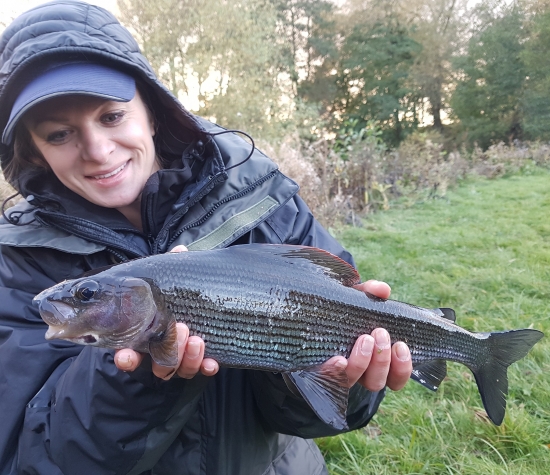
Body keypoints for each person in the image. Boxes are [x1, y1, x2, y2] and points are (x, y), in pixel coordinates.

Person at [0, 1, 412, 474]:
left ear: (152, 113)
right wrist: (140, 369)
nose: (97, 150)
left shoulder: (265, 199)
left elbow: (325, 415)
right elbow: (32, 458)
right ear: (32, 149)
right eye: (58, 134)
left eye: (112, 116)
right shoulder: (15, 265)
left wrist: (352, 380)